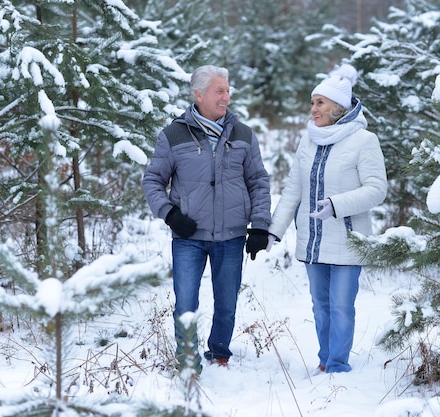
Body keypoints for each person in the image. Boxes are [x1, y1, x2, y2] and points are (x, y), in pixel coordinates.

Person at [142, 65, 271, 370]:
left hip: (231, 235)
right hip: (188, 238)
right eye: (219, 91)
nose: (226, 97)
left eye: (228, 91)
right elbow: (152, 181)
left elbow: (258, 181)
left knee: (226, 304)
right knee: (186, 303)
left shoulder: (242, 134)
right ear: (198, 94)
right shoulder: (173, 134)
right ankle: (187, 359)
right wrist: (171, 214)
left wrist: (260, 226)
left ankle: (220, 353)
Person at [267, 63, 387, 373]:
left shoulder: (364, 141)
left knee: (341, 307)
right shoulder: (308, 141)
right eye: (312, 103)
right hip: (313, 240)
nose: (313, 109)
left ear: (338, 106)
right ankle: (324, 361)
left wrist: (337, 205)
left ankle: (337, 365)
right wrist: (272, 231)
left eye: (320, 102)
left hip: (348, 240)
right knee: (321, 308)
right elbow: (293, 189)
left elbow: (377, 190)